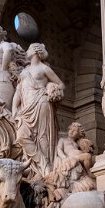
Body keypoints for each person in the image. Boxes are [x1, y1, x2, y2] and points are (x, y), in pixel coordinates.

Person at [12, 43, 65, 178]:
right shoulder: (24, 72)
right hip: (26, 109)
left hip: (42, 103)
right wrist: (14, 109)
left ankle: (46, 170)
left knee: (43, 138)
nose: (26, 51)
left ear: (35, 51)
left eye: (29, 49)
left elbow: (61, 84)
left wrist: (50, 88)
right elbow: (18, 92)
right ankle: (41, 165)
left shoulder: (43, 68)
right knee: (21, 136)